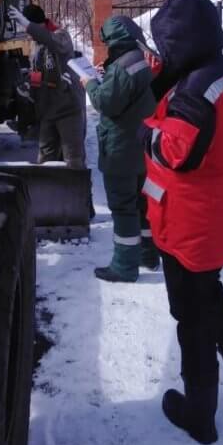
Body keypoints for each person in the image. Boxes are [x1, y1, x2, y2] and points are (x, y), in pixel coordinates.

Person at [140, 0, 223, 445]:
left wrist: (145, 133)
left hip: (188, 226)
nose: (161, 53)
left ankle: (199, 415)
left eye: (164, 45)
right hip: (217, 217)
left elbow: (176, 152)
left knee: (192, 320)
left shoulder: (196, 90)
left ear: (181, 42)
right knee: (213, 302)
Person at [79, 16, 157, 282]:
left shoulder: (123, 66)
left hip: (121, 147)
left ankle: (125, 267)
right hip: (139, 144)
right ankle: (148, 255)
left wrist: (89, 83)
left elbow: (106, 103)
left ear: (114, 40)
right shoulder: (137, 59)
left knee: (123, 207)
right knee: (142, 203)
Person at [8, 4, 86, 169]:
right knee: (45, 159)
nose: (29, 35)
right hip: (48, 110)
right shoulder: (37, 45)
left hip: (68, 109)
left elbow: (51, 41)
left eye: (30, 29)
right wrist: (29, 86)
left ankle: (75, 185)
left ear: (38, 25)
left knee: (73, 159)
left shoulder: (61, 36)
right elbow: (40, 74)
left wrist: (27, 24)